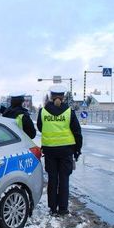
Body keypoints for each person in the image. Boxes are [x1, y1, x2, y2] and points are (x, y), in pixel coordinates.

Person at [37, 85, 82, 216]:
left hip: (50, 151)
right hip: (66, 151)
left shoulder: (43, 112)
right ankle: (63, 209)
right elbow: (77, 132)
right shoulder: (69, 112)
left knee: (52, 180)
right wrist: (77, 149)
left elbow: (40, 128)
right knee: (64, 180)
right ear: (63, 97)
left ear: (51, 97)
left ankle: (52, 208)